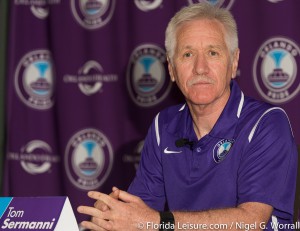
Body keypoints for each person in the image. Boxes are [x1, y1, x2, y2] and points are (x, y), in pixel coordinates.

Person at [77, 2, 298, 231]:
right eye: (187, 54)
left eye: (212, 53)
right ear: (172, 69)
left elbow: (252, 221)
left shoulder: (267, 122)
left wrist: (156, 222)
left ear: (233, 63)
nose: (200, 68)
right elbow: (139, 214)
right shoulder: (163, 126)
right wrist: (112, 218)